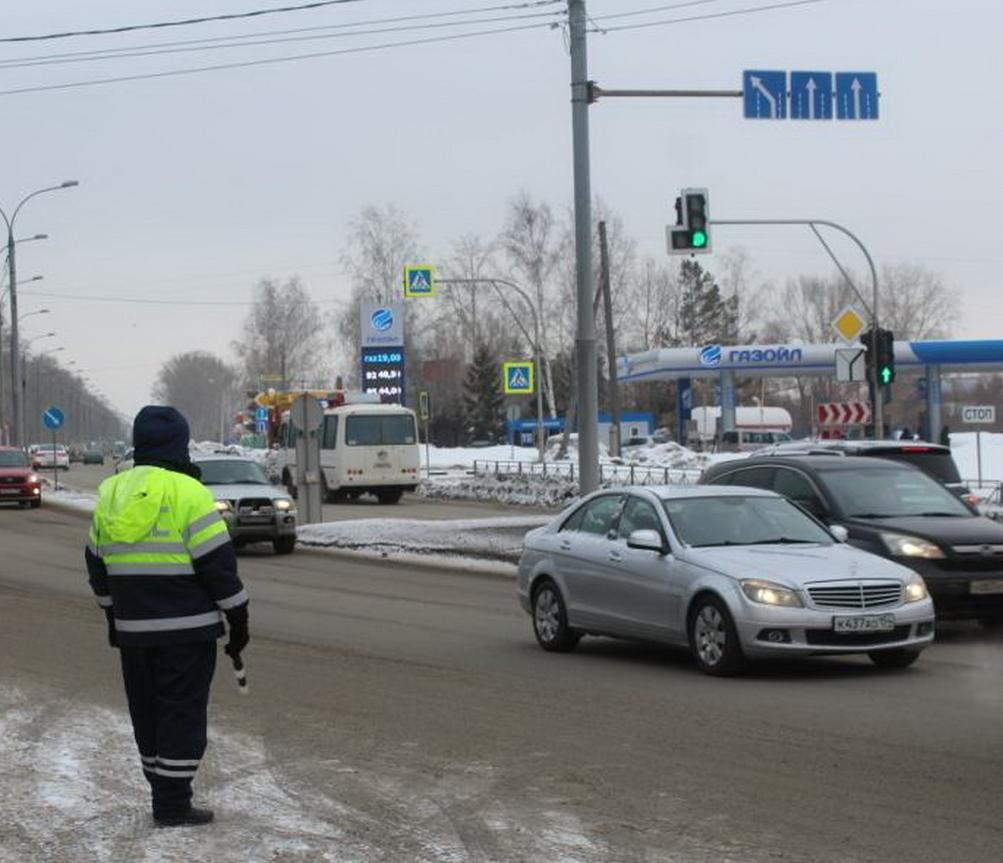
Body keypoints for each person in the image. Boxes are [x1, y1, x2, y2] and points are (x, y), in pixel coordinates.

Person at [85, 406, 249, 827]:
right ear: (180, 443)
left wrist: (112, 615)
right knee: (182, 711)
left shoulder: (112, 492)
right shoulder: (190, 493)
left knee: (147, 711)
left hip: (134, 633)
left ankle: (162, 791)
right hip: (188, 631)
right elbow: (218, 566)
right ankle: (173, 803)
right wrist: (239, 620)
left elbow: (96, 563)